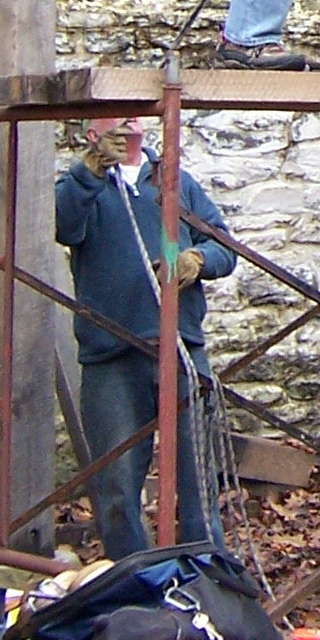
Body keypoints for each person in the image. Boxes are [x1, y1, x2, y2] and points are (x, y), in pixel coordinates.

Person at [56, 114, 237, 559]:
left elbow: (224, 248)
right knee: (117, 484)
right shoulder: (84, 187)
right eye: (113, 118)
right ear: (92, 134)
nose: (127, 122)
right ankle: (134, 581)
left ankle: (204, 576)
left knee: (197, 478)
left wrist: (195, 259)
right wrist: (90, 170)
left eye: (133, 115)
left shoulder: (175, 182)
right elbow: (63, 226)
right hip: (111, 357)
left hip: (179, 346)